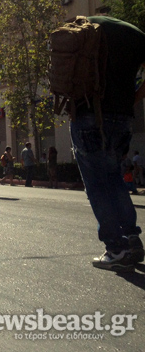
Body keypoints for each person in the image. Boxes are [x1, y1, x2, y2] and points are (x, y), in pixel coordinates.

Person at [67, 15, 145, 271]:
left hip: (89, 114)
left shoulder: (82, 28)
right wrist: (132, 98)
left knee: (97, 185)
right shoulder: (136, 34)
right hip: (122, 118)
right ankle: (131, 238)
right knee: (113, 178)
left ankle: (115, 248)